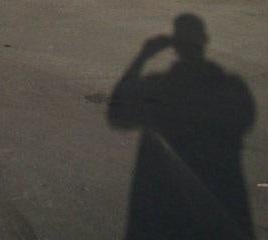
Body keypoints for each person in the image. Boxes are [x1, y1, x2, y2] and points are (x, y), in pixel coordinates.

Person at [108, 14, 256, 239]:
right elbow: (245, 119)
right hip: (223, 178)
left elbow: (118, 115)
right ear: (205, 39)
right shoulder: (232, 84)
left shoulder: (159, 82)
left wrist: (143, 56)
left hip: (160, 180)